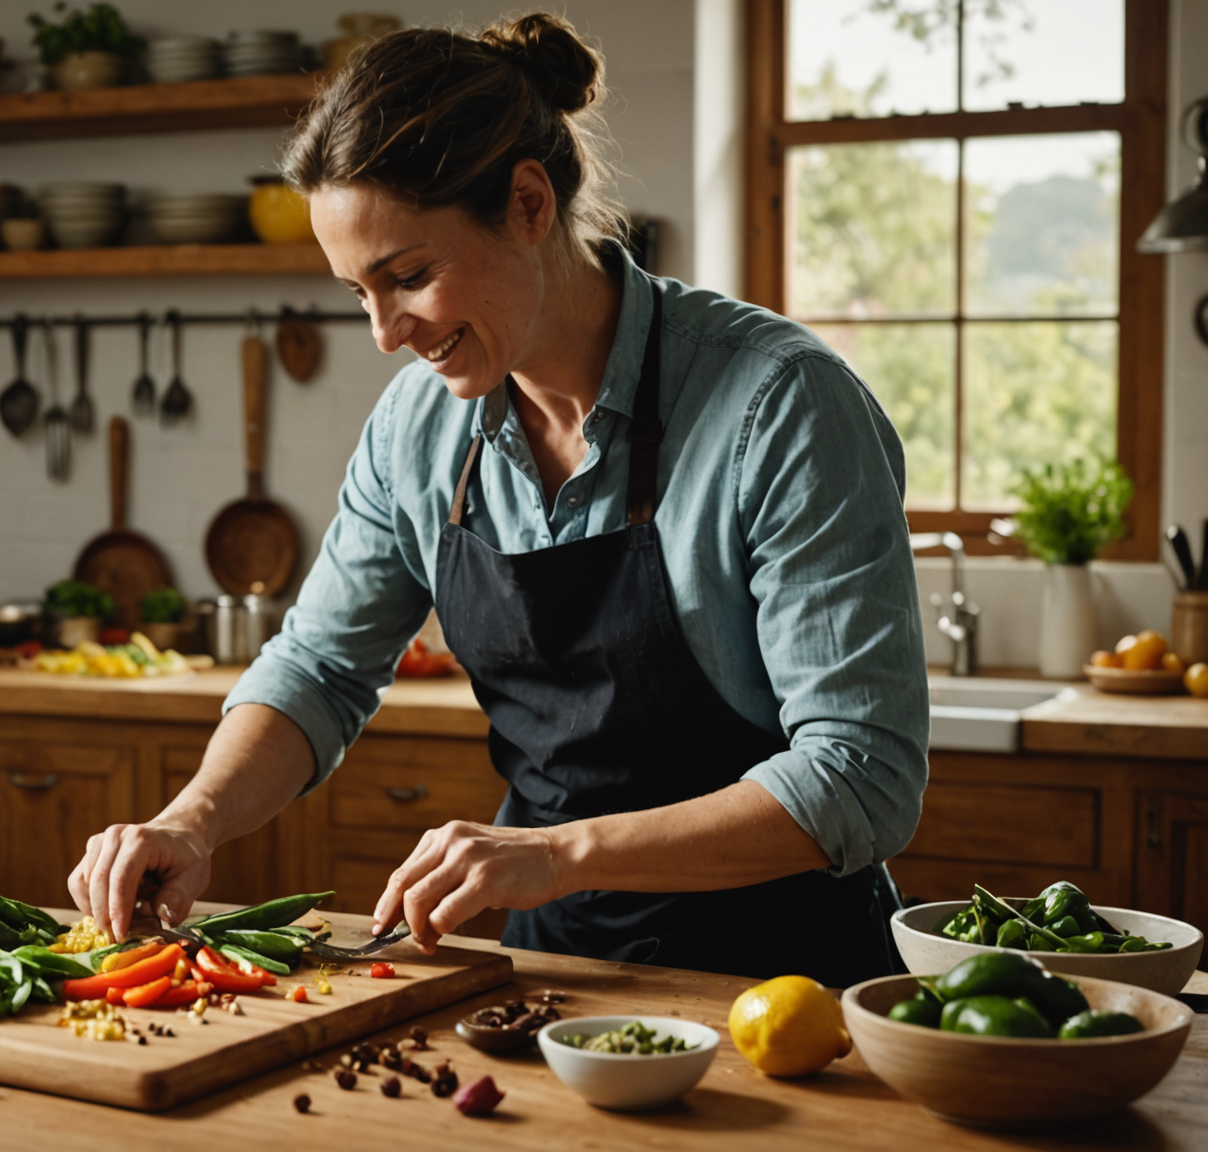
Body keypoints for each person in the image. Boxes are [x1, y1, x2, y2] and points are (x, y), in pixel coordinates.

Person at [68, 12, 928, 988]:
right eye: (359, 292)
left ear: (527, 202)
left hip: (781, 983)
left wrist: (555, 853)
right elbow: (318, 667)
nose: (388, 334)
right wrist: (193, 818)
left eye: (409, 277)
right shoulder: (418, 429)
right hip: (550, 974)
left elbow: (863, 777)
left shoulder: (780, 403)